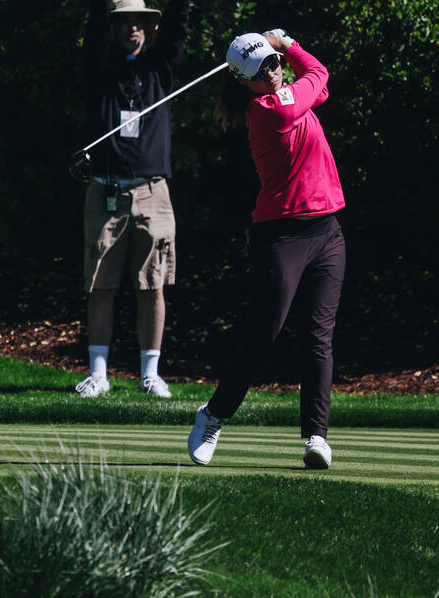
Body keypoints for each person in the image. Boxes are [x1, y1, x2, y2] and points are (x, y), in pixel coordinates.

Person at [187, 29, 346, 468]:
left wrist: (280, 49)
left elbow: (318, 82)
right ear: (244, 81)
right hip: (282, 236)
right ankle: (213, 415)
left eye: (273, 63)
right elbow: (319, 72)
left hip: (327, 231)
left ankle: (316, 437)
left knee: (319, 339)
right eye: (261, 69)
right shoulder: (270, 110)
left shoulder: (291, 96)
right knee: (264, 335)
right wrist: (289, 43)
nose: (272, 72)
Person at [74, 0, 191, 399]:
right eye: (124, 22)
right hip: (106, 190)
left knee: (152, 285)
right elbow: (93, 32)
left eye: (139, 22)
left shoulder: (160, 70)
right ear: (114, 27)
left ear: (149, 28)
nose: (133, 29)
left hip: (153, 192)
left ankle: (150, 374)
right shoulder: (101, 69)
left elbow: (178, 28)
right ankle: (99, 375)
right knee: (101, 286)